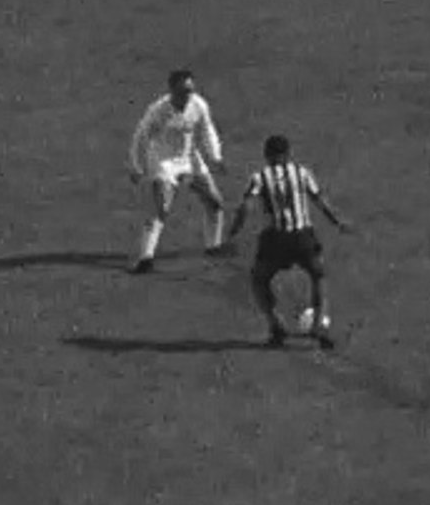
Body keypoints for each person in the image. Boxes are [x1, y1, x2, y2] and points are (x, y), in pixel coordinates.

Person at [224, 135, 352, 349]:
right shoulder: (302, 173)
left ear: (266, 156)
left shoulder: (260, 177)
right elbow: (319, 200)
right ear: (288, 154)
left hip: (275, 239)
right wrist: (337, 222)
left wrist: (234, 230)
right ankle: (320, 325)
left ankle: (276, 327)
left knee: (259, 279)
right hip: (302, 236)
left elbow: (246, 206)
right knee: (318, 275)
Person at [127, 70, 229, 274]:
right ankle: (146, 257)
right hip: (164, 162)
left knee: (215, 202)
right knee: (161, 208)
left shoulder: (198, 105)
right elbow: (141, 137)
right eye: (183, 91)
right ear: (172, 90)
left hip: (190, 159)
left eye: (190, 91)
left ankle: (213, 246)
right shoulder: (158, 111)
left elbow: (207, 130)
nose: (187, 96)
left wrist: (215, 157)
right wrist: (137, 166)